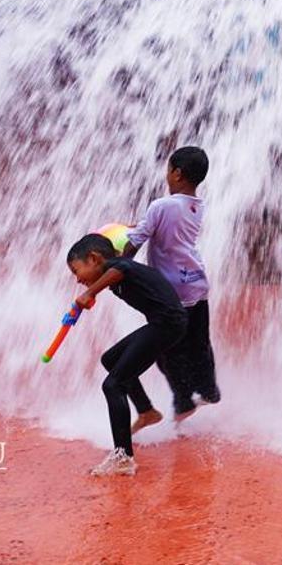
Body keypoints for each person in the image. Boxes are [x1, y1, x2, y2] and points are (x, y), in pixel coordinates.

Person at [67, 232, 187, 477]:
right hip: (163, 323)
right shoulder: (116, 268)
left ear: (94, 259)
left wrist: (90, 293)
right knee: (110, 360)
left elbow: (120, 268)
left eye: (76, 271)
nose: (77, 280)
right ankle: (146, 411)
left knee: (113, 385)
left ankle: (123, 457)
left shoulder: (118, 267)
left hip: (168, 324)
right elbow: (122, 258)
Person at [123, 145, 218, 422]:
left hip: (172, 290)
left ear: (176, 173)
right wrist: (141, 225)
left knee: (166, 349)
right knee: (199, 341)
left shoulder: (161, 206)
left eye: (168, 169)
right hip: (197, 283)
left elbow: (135, 243)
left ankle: (183, 399)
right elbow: (163, 229)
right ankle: (209, 389)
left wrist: (116, 265)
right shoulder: (197, 206)